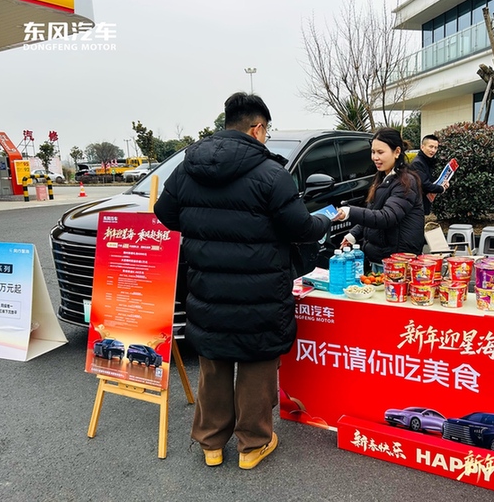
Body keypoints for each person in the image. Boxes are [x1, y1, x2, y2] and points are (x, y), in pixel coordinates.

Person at [154, 92, 331, 470]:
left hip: (207, 288)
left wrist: (202, 228)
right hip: (260, 291)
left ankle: (211, 445)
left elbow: (164, 213)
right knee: (255, 364)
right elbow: (300, 227)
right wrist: (324, 221)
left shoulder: (188, 167)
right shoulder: (271, 173)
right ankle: (252, 446)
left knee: (214, 361)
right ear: (257, 128)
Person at [335, 127, 425, 267]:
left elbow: (386, 217)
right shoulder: (383, 177)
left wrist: (349, 212)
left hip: (397, 264)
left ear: (397, 152)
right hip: (381, 258)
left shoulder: (405, 183)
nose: (375, 157)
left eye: (380, 152)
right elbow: (373, 212)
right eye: (373, 152)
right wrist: (353, 234)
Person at [409, 134, 449, 216]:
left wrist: (443, 184)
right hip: (416, 206)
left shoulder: (429, 162)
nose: (433, 150)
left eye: (436, 148)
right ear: (422, 147)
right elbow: (425, 184)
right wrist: (441, 188)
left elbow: (432, 180)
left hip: (424, 205)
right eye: (431, 147)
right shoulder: (417, 163)